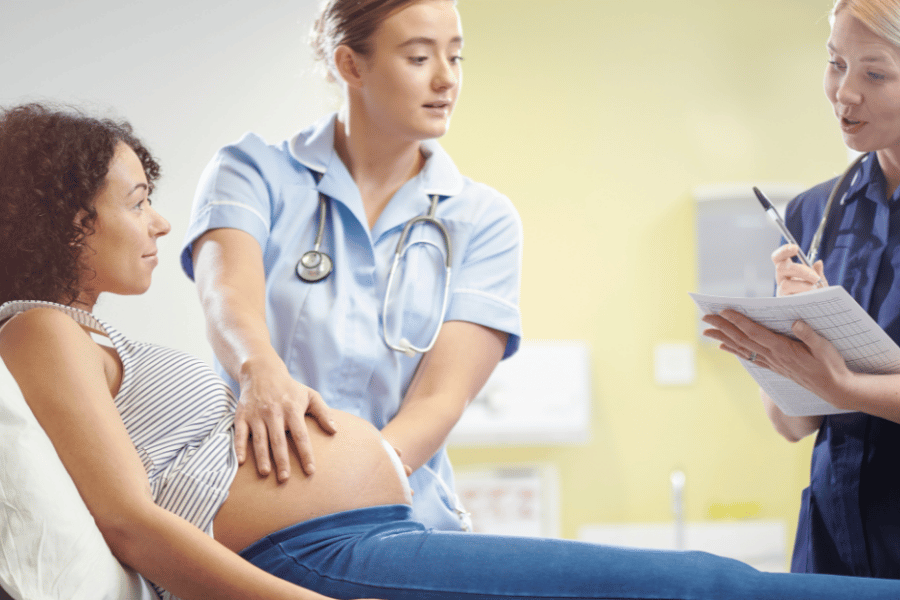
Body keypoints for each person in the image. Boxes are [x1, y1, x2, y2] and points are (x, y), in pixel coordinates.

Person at [10, 104, 900, 600]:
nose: (160, 219)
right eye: (134, 200)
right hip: (318, 555)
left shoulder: (79, 330)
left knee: (700, 589)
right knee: (698, 592)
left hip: (355, 535)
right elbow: (129, 520)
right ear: (63, 214)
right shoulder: (34, 327)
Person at [179, 0, 522, 531]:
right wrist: (261, 371)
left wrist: (347, 488)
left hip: (402, 510)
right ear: (350, 66)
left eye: (455, 58)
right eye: (418, 58)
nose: (446, 80)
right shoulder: (251, 173)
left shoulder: (484, 219)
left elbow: (440, 398)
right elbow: (226, 297)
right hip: (258, 503)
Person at [702, 0, 900, 580]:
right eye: (836, 63)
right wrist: (784, 341)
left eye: (875, 73)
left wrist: (842, 382)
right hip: (833, 545)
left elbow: (837, 388)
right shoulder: (817, 213)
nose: (845, 93)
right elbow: (793, 426)